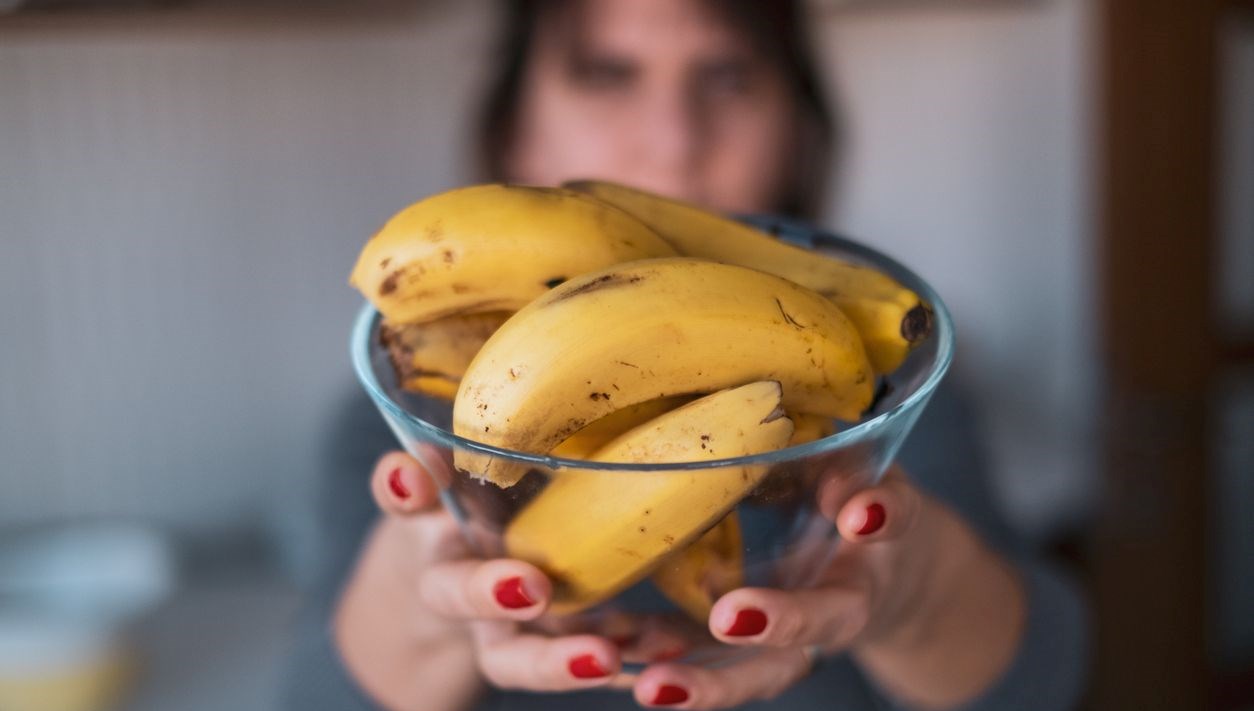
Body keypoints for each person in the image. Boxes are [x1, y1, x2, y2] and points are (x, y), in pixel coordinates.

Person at [283, 1, 1089, 709]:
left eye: (730, 76)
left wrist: (916, 593)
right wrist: (420, 606)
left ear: (797, 125)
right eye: (607, 72)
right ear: (515, 129)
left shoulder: (883, 394)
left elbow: (1048, 679)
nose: (675, 141)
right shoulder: (406, 421)